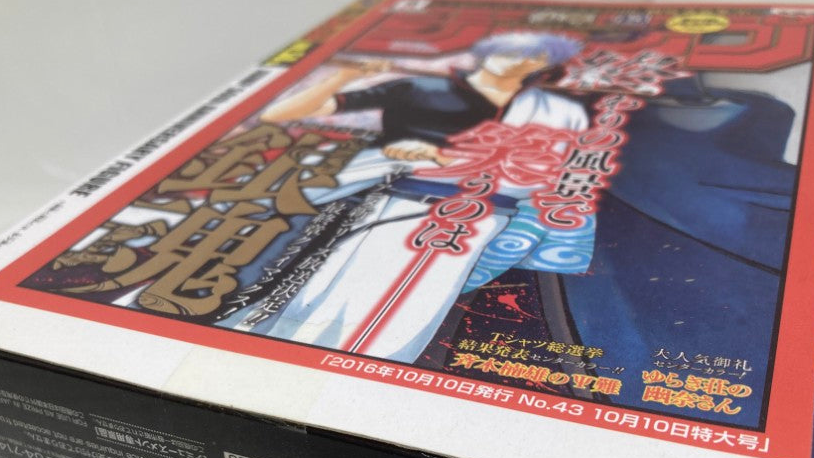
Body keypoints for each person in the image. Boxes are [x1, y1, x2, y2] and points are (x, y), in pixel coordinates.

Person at [251, 32, 595, 363]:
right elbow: (277, 114)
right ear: (489, 50)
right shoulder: (419, 87)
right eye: (510, 49)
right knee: (334, 295)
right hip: (395, 203)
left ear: (546, 65)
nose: (517, 59)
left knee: (411, 313)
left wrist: (443, 157)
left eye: (534, 55)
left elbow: (545, 174)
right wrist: (343, 76)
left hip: (481, 218)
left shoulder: (557, 111)